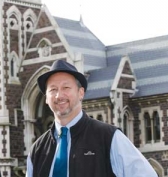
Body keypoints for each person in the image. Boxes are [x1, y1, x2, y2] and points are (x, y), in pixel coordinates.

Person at [26, 59, 157, 177]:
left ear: (80, 93)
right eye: (53, 89)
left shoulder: (109, 138)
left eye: (66, 87)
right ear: (46, 99)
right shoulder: (37, 150)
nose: (59, 95)